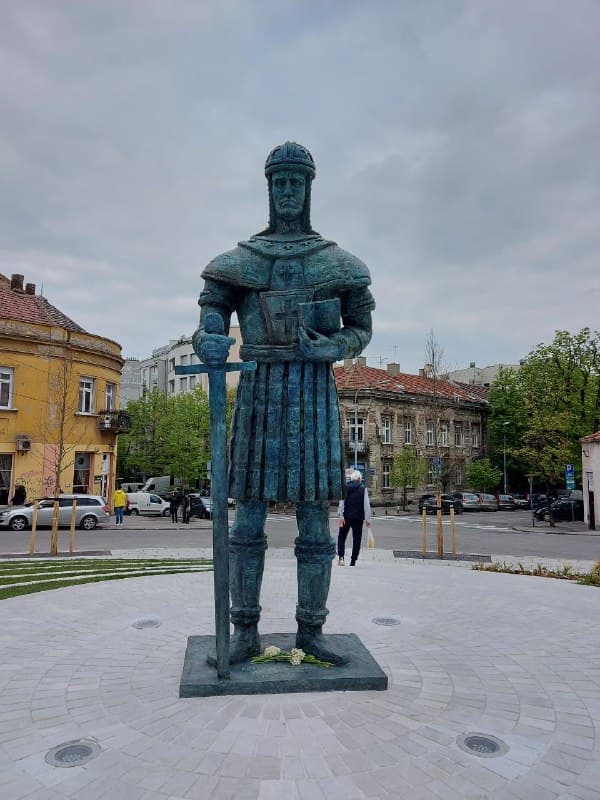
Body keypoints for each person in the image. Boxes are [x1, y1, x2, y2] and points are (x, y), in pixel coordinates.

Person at [193, 141, 375, 665]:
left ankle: (311, 631)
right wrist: (210, 338)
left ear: (309, 187)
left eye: (296, 181)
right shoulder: (242, 260)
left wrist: (334, 347)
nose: (288, 190)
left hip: (314, 393)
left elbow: (361, 326)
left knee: (315, 520)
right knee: (247, 520)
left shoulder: (336, 262)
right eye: (281, 182)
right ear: (270, 187)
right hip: (258, 389)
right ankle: (244, 631)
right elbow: (212, 312)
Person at [337, 470, 372, 566]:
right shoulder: (363, 489)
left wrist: (341, 516)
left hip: (346, 517)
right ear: (360, 479)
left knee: (341, 537)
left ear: (351, 479)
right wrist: (368, 519)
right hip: (358, 518)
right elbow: (366, 505)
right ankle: (353, 561)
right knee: (357, 539)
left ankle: (341, 558)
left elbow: (341, 503)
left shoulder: (345, 488)